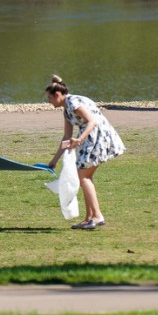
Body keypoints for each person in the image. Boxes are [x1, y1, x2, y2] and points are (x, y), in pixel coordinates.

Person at [46, 75, 125, 230]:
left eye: (49, 98)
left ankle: (97, 216)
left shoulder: (73, 102)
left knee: (83, 177)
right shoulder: (67, 110)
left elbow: (92, 121)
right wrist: (55, 159)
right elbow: (66, 137)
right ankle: (89, 218)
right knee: (85, 176)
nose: (48, 101)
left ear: (57, 95)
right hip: (90, 139)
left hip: (99, 137)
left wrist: (79, 139)